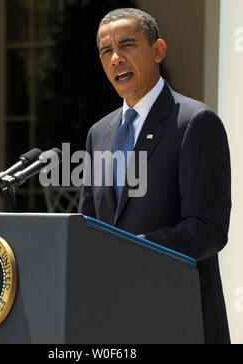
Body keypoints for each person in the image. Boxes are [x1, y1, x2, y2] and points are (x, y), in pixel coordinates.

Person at [78, 8, 232, 344]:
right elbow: (87, 224)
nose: (115, 58)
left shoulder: (195, 122)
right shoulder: (99, 134)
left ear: (158, 50)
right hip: (112, 321)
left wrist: (133, 251)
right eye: (106, 51)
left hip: (178, 317)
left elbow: (209, 229)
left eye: (127, 45)